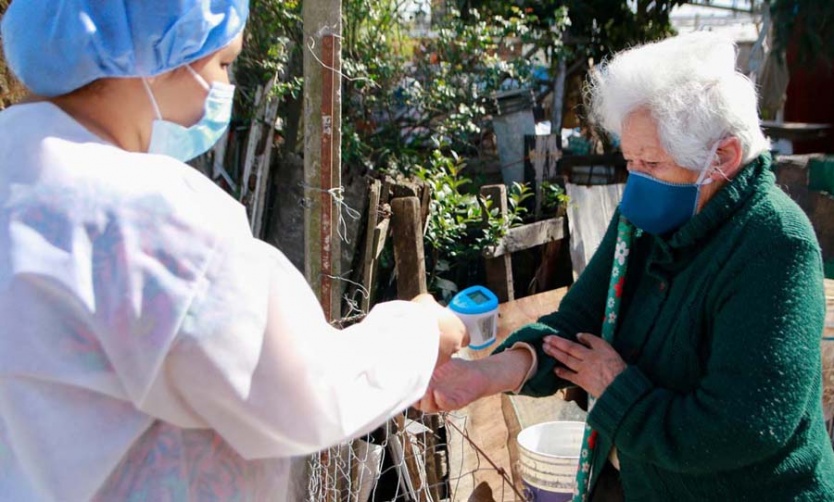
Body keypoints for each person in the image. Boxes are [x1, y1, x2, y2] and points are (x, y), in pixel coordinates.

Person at [0, 1, 467, 500]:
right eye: (222, 64)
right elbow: (303, 394)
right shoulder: (145, 213)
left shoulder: (19, 170)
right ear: (157, 56)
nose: (224, 89)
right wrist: (419, 331)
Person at [418, 32, 834, 501]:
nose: (635, 183)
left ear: (723, 158)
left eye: (652, 163)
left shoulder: (775, 245)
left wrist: (617, 392)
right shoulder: (649, 216)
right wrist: (486, 375)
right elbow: (578, 324)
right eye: (630, 160)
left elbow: (745, 428)